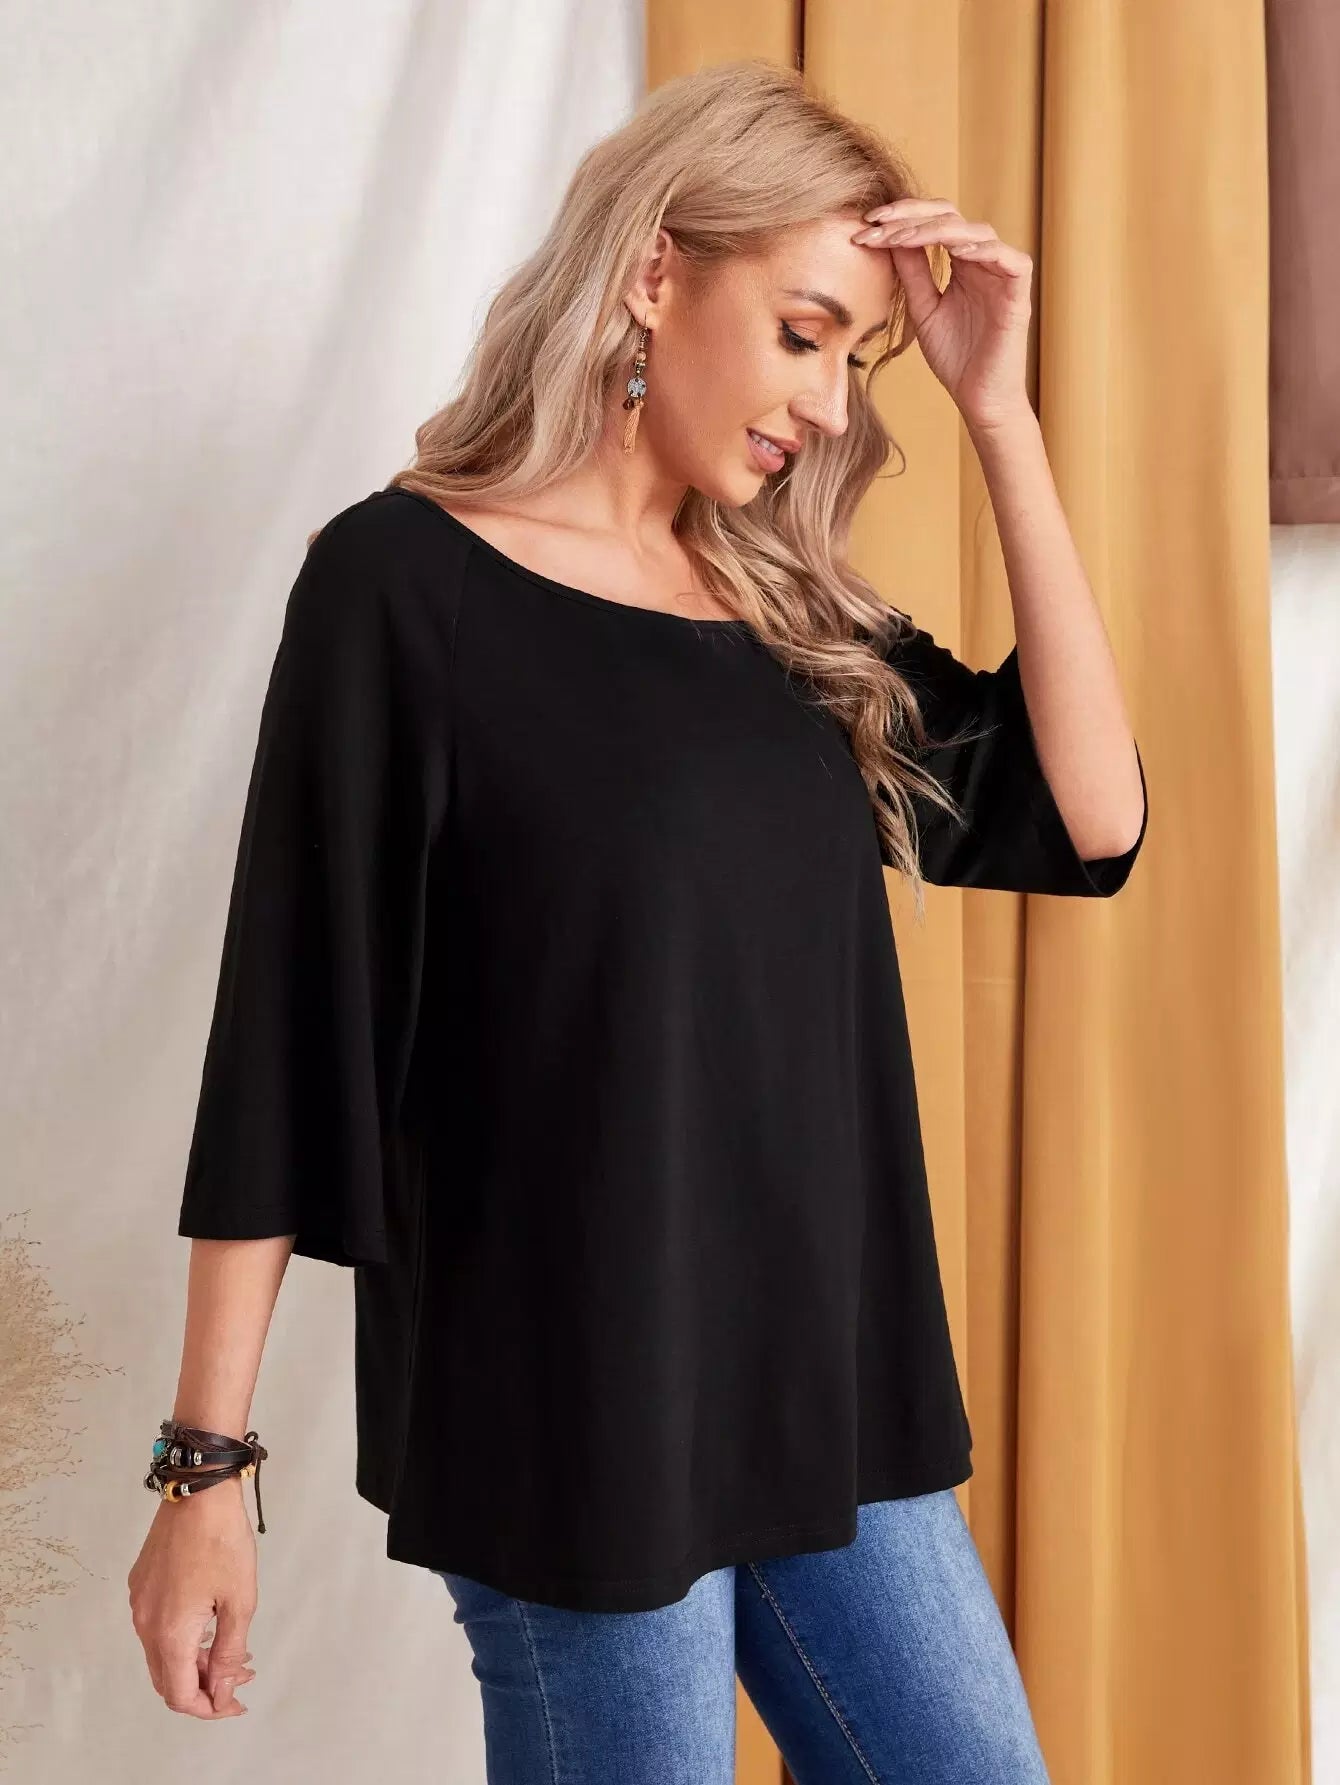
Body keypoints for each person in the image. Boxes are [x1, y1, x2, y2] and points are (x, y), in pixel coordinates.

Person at [128, 58, 1147, 1784]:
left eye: (856, 359)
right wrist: (203, 1468)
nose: (828, 404)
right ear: (658, 270)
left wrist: (1001, 418)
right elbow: (293, 1031)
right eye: (805, 332)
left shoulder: (789, 611)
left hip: (826, 1393)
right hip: (567, 1413)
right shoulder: (399, 586)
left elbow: (1091, 818)